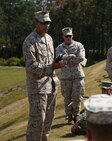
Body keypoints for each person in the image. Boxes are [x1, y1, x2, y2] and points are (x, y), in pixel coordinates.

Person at [22, 10, 66, 141]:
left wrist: (57, 62)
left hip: (52, 84)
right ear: (36, 23)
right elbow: (31, 66)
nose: (46, 25)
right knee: (37, 120)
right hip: (38, 88)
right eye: (43, 23)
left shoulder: (49, 38)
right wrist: (51, 67)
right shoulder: (29, 41)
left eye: (48, 23)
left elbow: (50, 60)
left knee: (48, 118)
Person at [55, 27, 86, 123]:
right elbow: (57, 59)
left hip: (77, 75)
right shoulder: (59, 47)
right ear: (63, 37)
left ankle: (76, 115)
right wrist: (72, 56)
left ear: (72, 36)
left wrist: (66, 58)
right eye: (66, 36)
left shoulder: (79, 45)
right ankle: (69, 115)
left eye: (70, 36)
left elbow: (81, 58)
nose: (68, 38)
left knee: (77, 96)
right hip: (65, 76)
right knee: (67, 97)